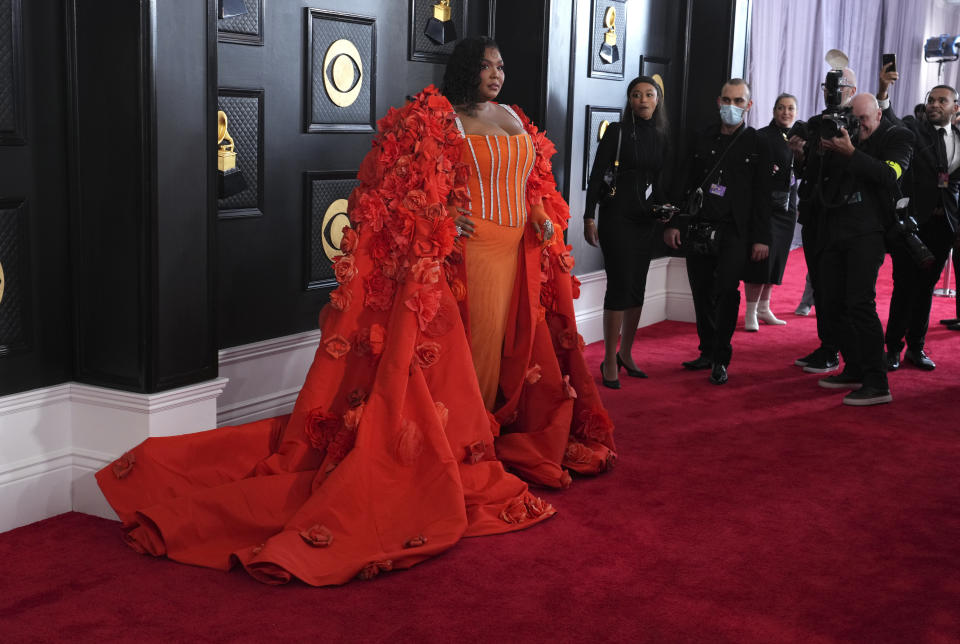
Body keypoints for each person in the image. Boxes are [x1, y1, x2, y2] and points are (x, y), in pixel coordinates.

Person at [95, 36, 615, 587]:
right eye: (486, 66)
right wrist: (439, 214)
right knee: (466, 353)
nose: (497, 74)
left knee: (510, 347)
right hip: (465, 255)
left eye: (502, 64)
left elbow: (530, 177)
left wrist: (538, 213)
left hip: (517, 251)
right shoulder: (433, 118)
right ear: (465, 71)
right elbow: (401, 188)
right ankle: (464, 445)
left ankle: (487, 430)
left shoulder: (514, 117)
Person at [664, 78, 770, 385]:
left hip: (735, 231)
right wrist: (675, 223)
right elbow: (684, 183)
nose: (732, 106)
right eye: (727, 100)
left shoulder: (757, 143)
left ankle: (721, 358)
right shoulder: (701, 138)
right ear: (718, 102)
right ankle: (706, 350)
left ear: (748, 106)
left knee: (725, 291)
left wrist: (762, 237)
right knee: (701, 292)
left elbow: (763, 194)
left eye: (738, 101)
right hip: (699, 227)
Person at [809, 93, 912, 405]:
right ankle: (854, 366)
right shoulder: (843, 137)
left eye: (864, 120)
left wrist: (851, 152)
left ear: (878, 116)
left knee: (859, 303)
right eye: (855, 119)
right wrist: (818, 151)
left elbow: (888, 175)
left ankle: (877, 381)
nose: (859, 125)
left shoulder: (899, 137)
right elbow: (819, 181)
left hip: (869, 232)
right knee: (832, 301)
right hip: (835, 228)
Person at [584, 76, 671, 388]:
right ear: (629, 100)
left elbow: (660, 182)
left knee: (637, 288)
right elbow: (596, 176)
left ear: (658, 100)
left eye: (649, 95)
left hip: (646, 220)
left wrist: (665, 210)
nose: (643, 100)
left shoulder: (661, 136)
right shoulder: (617, 132)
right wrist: (587, 217)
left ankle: (626, 353)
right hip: (616, 218)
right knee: (619, 286)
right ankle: (608, 358)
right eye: (636, 95)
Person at [878, 64, 960, 371]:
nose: (935, 104)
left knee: (925, 289)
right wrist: (884, 91)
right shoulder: (914, 128)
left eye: (942, 100)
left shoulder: (959, 137)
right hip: (911, 225)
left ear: (955, 107)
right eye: (932, 99)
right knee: (904, 286)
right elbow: (890, 119)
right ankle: (892, 348)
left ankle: (916, 347)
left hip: (944, 227)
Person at [790, 67, 858, 375]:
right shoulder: (816, 125)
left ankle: (840, 351)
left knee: (837, 288)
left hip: (842, 217)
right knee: (819, 283)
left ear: (852, 91)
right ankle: (826, 346)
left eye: (841, 86)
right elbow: (806, 172)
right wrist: (800, 155)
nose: (835, 92)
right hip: (814, 214)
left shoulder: (857, 124)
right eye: (830, 86)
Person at [744, 93, 799, 331]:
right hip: (766, 206)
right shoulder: (761, 137)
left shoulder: (798, 139)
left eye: (790, 108)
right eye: (781, 108)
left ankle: (764, 308)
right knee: (760, 260)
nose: (786, 112)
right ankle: (750, 311)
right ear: (774, 111)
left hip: (788, 208)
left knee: (777, 259)